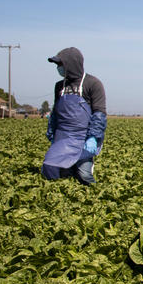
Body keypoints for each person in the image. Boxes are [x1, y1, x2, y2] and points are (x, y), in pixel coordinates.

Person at [41, 47, 106, 185]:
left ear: (71, 64)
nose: (59, 68)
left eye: (60, 64)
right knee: (51, 171)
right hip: (63, 137)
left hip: (83, 137)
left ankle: (86, 169)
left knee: (84, 176)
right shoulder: (59, 86)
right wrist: (52, 136)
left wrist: (93, 138)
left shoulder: (92, 83)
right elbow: (56, 113)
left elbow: (99, 114)